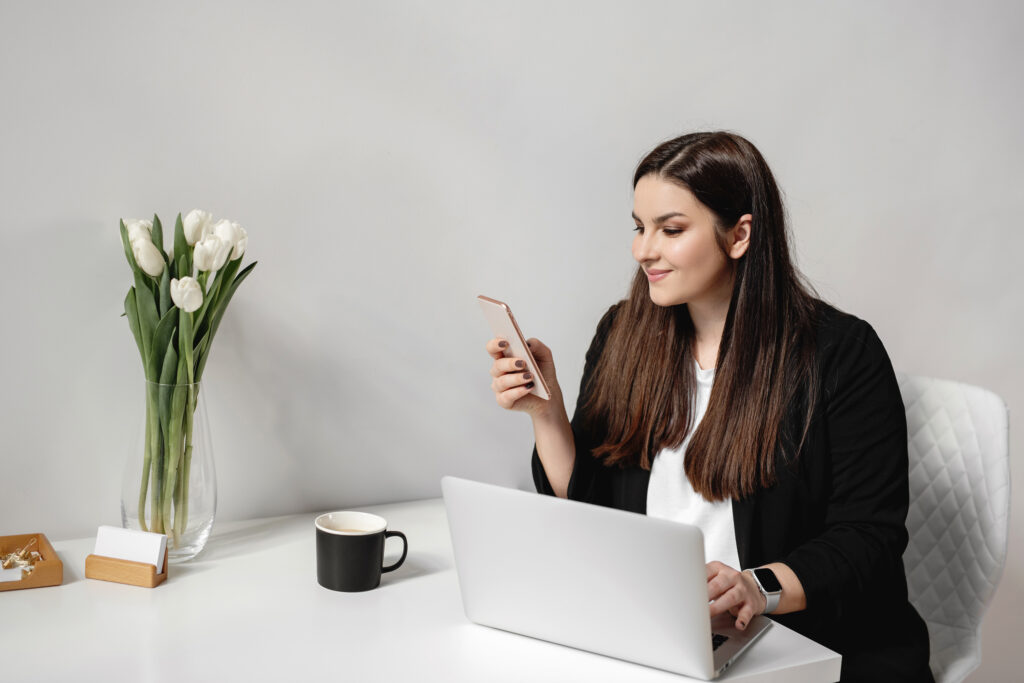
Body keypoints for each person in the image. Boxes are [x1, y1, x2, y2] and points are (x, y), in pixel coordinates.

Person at [484, 131, 933, 682]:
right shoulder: (624, 333)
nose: (644, 249)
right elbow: (591, 506)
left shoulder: (840, 353)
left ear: (739, 234)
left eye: (670, 230)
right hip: (657, 627)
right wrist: (545, 414)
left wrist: (756, 588)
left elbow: (868, 539)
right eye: (639, 227)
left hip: (802, 639)